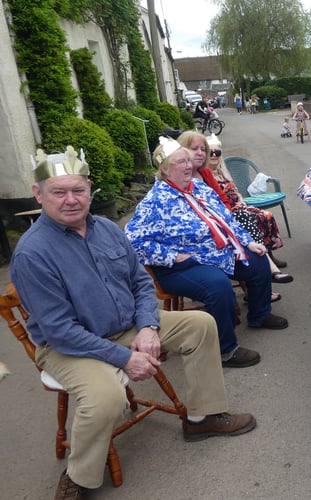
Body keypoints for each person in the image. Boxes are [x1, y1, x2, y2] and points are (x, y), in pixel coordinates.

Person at [11, 146, 256, 498]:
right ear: (38, 194)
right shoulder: (33, 254)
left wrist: (147, 327)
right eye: (58, 192)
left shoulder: (108, 229)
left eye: (77, 190)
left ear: (89, 189)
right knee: (107, 397)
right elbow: (60, 331)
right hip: (69, 347)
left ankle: (202, 418)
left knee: (200, 324)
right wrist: (126, 357)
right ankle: (78, 478)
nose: (70, 200)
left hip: (126, 325)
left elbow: (141, 283)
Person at [126, 138, 289, 367]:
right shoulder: (154, 201)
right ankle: (225, 351)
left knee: (257, 260)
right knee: (218, 286)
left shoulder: (200, 188)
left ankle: (259, 315)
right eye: (180, 162)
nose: (188, 166)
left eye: (188, 161)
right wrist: (172, 256)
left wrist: (246, 242)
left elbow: (227, 219)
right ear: (164, 169)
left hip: (217, 254)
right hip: (181, 266)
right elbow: (132, 241)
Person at [202, 133, 292, 288]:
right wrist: (238, 209)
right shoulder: (205, 175)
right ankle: (269, 267)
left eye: (218, 152)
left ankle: (269, 254)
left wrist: (243, 204)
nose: (215, 156)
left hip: (238, 207)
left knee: (266, 216)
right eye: (211, 153)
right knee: (250, 219)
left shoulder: (222, 170)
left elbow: (236, 192)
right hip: (227, 213)